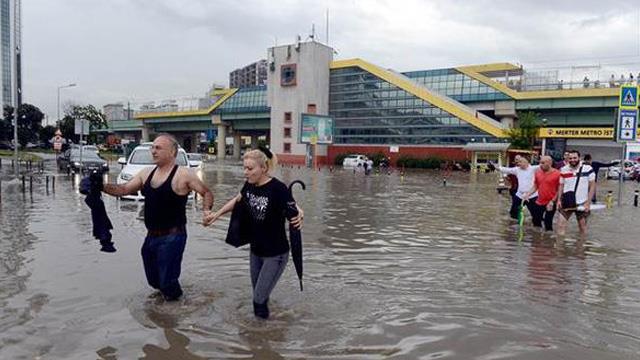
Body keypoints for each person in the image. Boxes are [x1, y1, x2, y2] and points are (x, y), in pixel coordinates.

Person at [101, 134, 214, 301]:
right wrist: (100, 186)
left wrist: (206, 211)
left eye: (158, 148)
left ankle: (176, 315)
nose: (153, 151)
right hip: (151, 236)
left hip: (173, 236)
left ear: (172, 152)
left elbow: (207, 193)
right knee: (154, 281)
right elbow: (123, 189)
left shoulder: (184, 175)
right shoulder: (146, 173)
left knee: (167, 282)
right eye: (152, 147)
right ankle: (172, 303)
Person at [204, 148, 303, 319]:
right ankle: (267, 327)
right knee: (260, 295)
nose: (245, 172)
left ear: (263, 168)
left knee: (258, 300)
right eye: (244, 168)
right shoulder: (249, 185)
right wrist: (216, 215)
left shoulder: (277, 188)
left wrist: (300, 213)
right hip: (256, 252)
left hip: (275, 254)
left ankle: (262, 338)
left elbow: (292, 206)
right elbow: (237, 200)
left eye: (250, 169)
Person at [557, 150, 595, 236]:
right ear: (567, 159)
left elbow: (592, 186)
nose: (572, 160)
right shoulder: (564, 169)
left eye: (575, 158)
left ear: (579, 158)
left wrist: (588, 203)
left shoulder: (588, 169)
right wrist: (559, 200)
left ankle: (580, 247)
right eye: (570, 158)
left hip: (582, 203)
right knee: (560, 225)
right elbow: (561, 185)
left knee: (582, 227)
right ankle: (559, 248)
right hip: (567, 201)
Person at [522, 156, 560, 231]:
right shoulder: (538, 173)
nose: (540, 165)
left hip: (551, 202)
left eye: (543, 163)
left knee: (547, 223)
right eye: (540, 163)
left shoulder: (557, 174)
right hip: (540, 201)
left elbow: (560, 190)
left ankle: (548, 240)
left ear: (550, 163)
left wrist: (553, 201)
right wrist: (528, 194)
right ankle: (537, 239)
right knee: (536, 221)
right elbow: (536, 185)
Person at [498, 156, 539, 220]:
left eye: (520, 162)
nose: (518, 163)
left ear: (527, 162)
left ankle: (535, 227)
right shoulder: (517, 169)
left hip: (532, 195)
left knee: (535, 214)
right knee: (513, 212)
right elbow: (506, 169)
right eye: (518, 162)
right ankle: (514, 226)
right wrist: (496, 167)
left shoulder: (534, 168)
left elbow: (544, 166)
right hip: (519, 195)